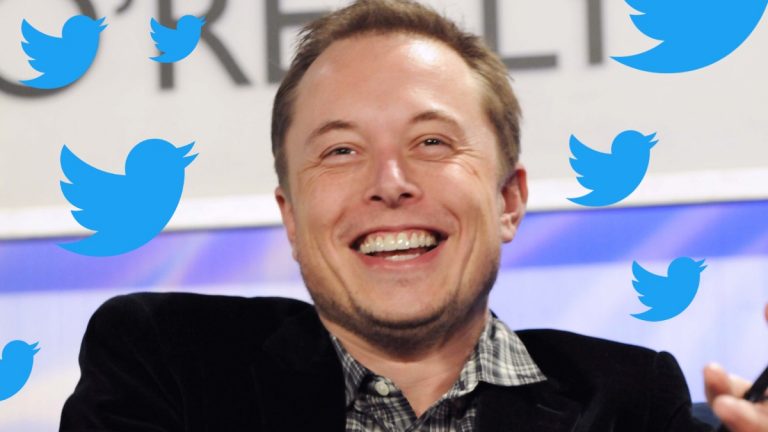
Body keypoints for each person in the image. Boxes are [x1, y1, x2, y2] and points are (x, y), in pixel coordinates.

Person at [60, 0, 766, 430]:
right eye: (340, 151)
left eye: (431, 142)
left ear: (509, 199)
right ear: (292, 219)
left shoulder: (632, 399)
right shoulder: (168, 362)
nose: (389, 183)